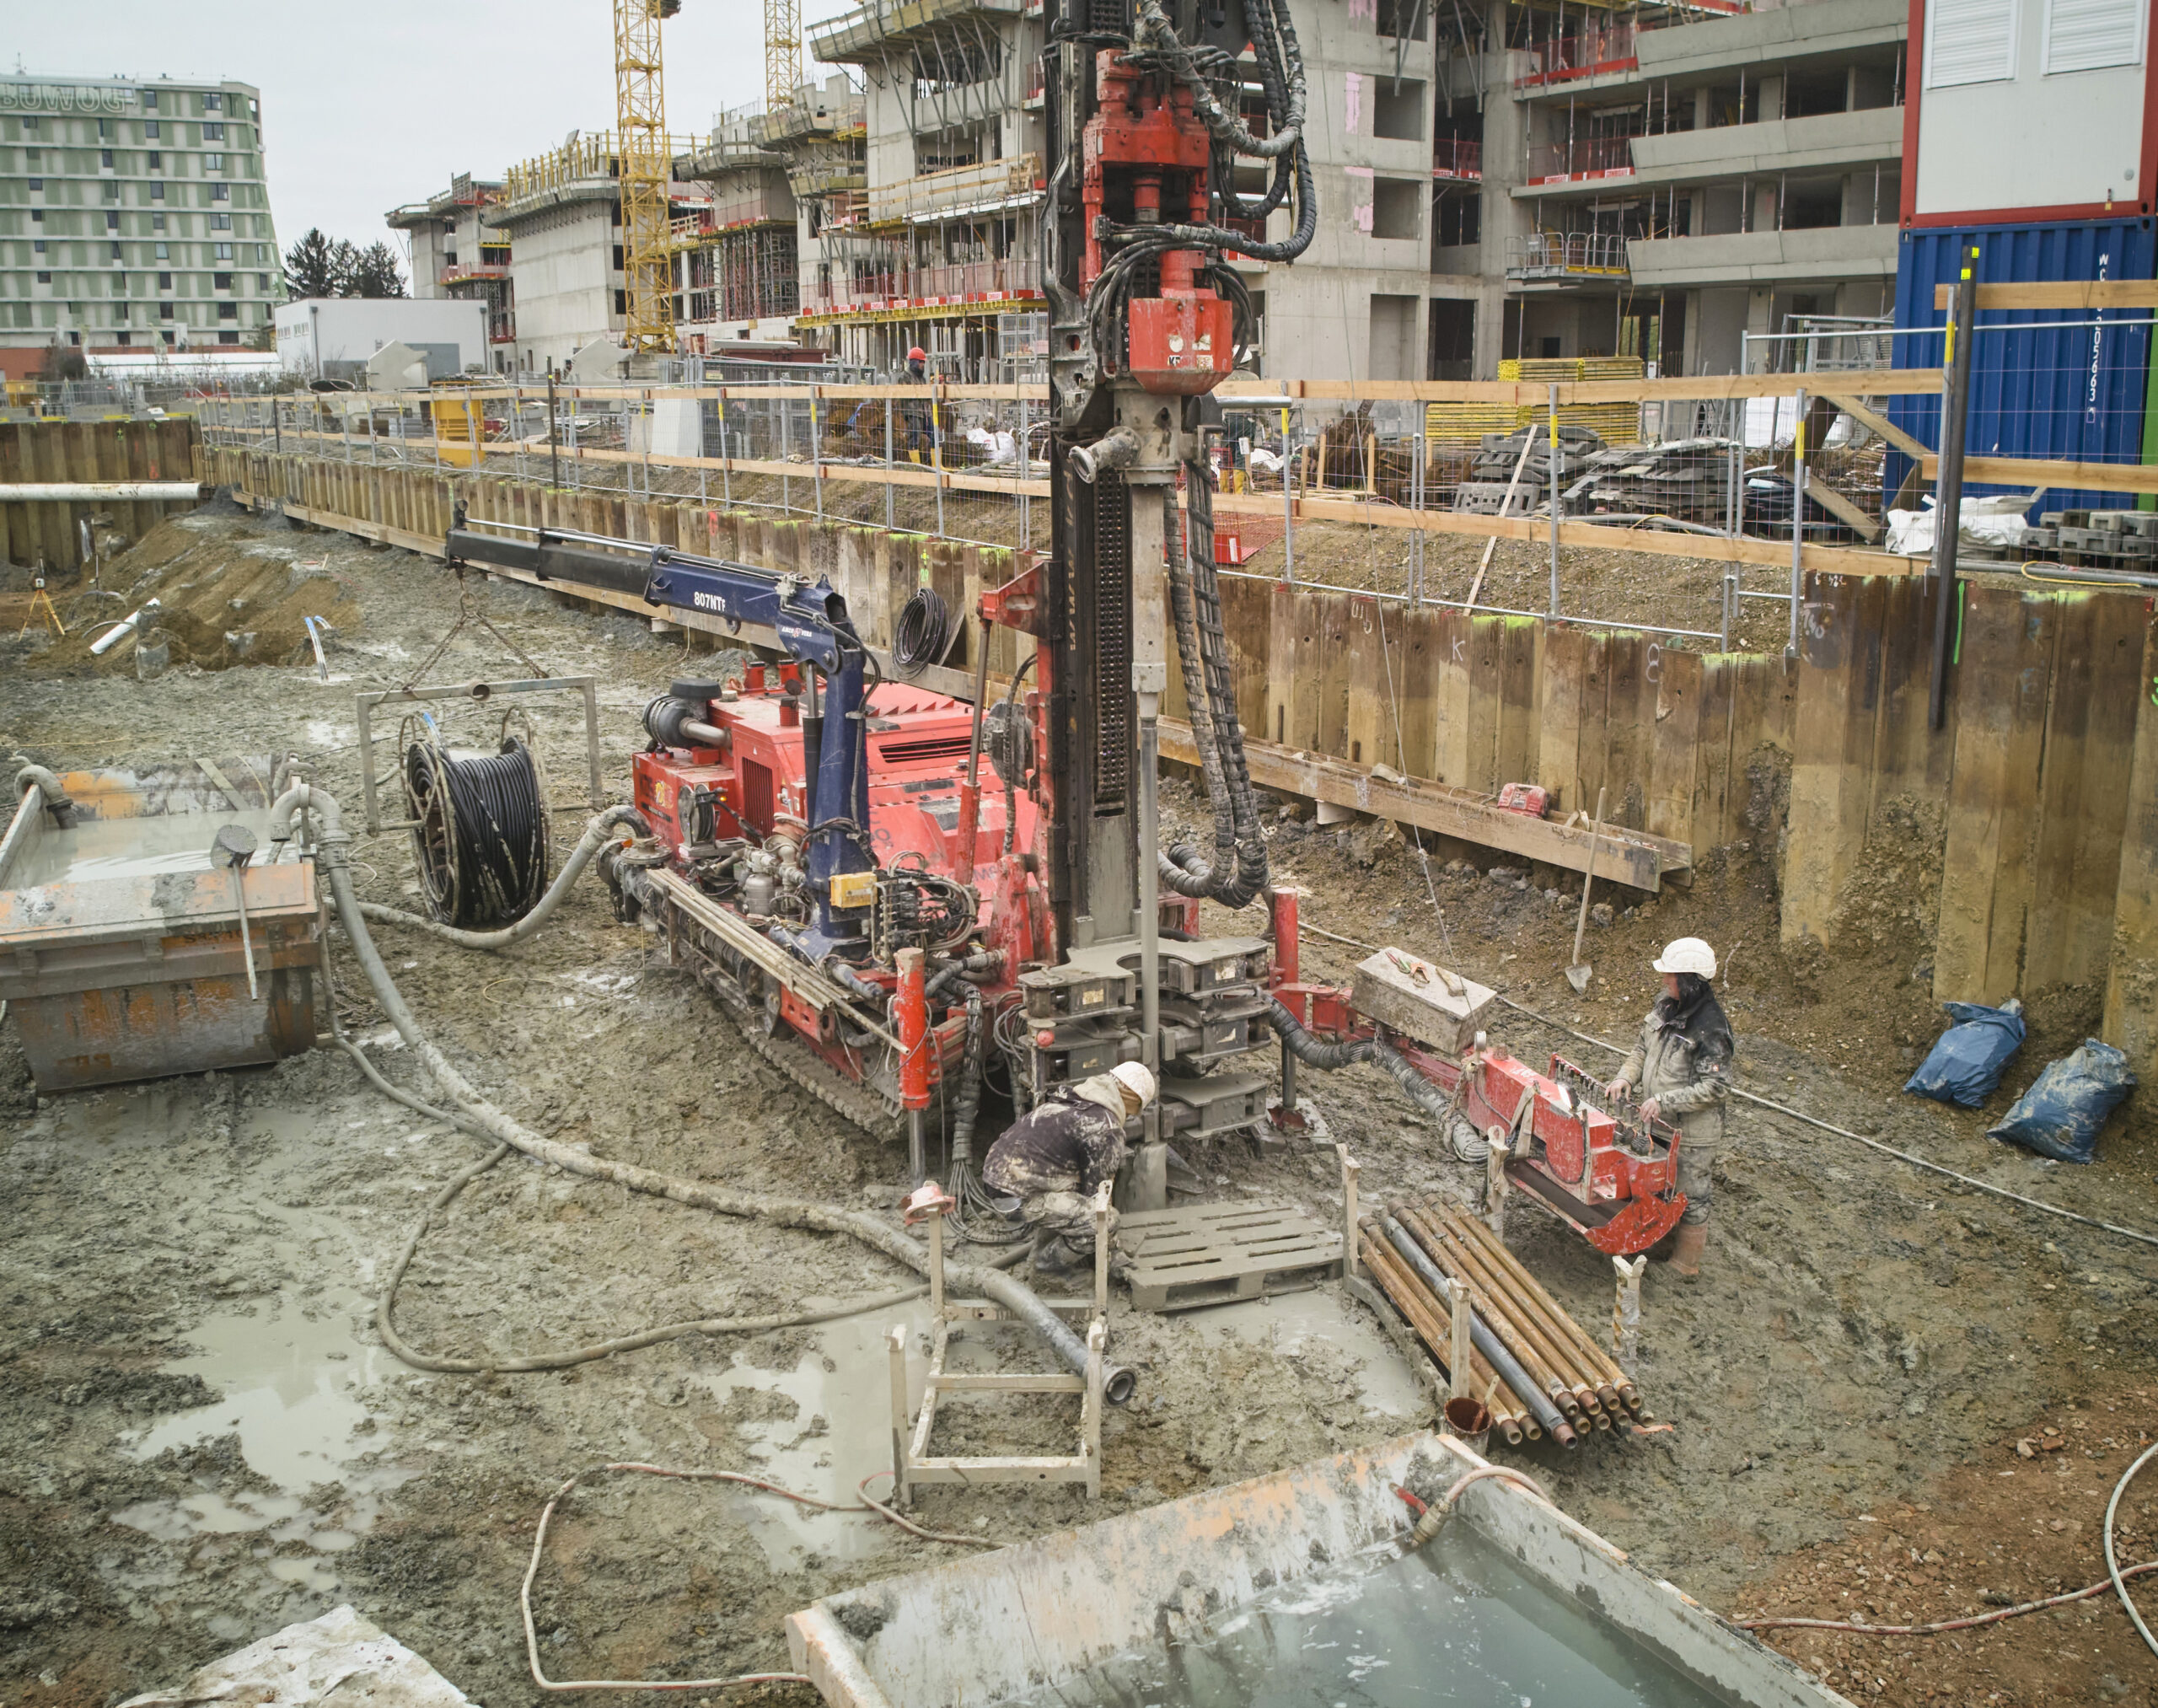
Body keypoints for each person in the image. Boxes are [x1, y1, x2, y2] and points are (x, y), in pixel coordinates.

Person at [1604, 937, 1732, 1278]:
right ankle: (1661, 1241)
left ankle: (1685, 1264)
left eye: (1670, 976)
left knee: (1692, 1194)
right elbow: (1641, 1048)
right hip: (1659, 1121)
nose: (1664, 981)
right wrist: (1625, 1078)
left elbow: (1716, 1087)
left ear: (1689, 980)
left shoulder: (1711, 1028)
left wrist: (1663, 1100)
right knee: (1661, 1185)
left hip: (1693, 1131)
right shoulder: (1666, 1007)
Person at [983, 1061, 1157, 1274]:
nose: (1129, 1117)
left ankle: (1041, 1252)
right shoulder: (1105, 1127)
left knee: (1073, 1200)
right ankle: (1045, 1269)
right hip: (1017, 1198)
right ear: (1132, 1099)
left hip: (998, 1181)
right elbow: (1099, 1198)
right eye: (1133, 1112)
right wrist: (1112, 1253)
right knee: (1106, 1220)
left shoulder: (1069, 1099)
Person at [899, 346, 937, 454]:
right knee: (914, 437)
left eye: (923, 362)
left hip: (926, 412)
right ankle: (915, 465)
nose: (923, 365)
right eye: (921, 362)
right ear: (914, 362)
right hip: (913, 412)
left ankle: (936, 464)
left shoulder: (922, 378)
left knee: (935, 436)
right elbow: (905, 395)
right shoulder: (905, 377)